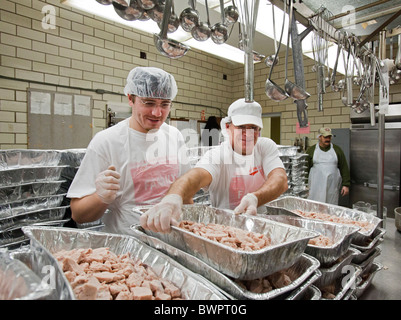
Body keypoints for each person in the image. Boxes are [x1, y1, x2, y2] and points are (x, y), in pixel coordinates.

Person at [67, 67, 190, 235]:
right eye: (149, 103)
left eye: (165, 104)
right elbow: (78, 214)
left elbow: (186, 192)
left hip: (173, 241)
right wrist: (100, 198)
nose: (157, 113)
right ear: (131, 99)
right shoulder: (106, 142)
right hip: (131, 247)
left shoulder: (174, 136)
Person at [140, 98, 288, 233]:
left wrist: (255, 198)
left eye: (254, 128)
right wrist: (173, 197)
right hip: (226, 231)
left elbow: (280, 180)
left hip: (261, 228)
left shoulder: (264, 147)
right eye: (241, 126)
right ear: (228, 127)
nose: (248, 133)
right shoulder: (218, 155)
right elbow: (196, 177)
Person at [305, 127, 350, 205]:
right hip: (315, 186)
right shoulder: (311, 150)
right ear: (319, 137)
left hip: (332, 186)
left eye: (329, 137)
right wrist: (305, 185)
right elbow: (305, 168)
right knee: (315, 205)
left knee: (331, 205)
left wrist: (346, 184)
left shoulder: (337, 150)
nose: (328, 139)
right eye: (325, 137)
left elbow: (344, 167)